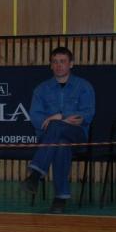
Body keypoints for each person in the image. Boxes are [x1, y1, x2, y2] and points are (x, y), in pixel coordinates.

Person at [21, 46, 95, 213]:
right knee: (61, 143)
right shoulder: (41, 89)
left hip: (77, 136)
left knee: (56, 126)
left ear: (71, 64)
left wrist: (60, 117)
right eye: (55, 62)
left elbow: (87, 114)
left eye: (63, 61)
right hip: (49, 139)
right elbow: (36, 117)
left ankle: (35, 174)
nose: (59, 65)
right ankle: (60, 199)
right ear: (50, 65)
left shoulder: (84, 86)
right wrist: (59, 120)